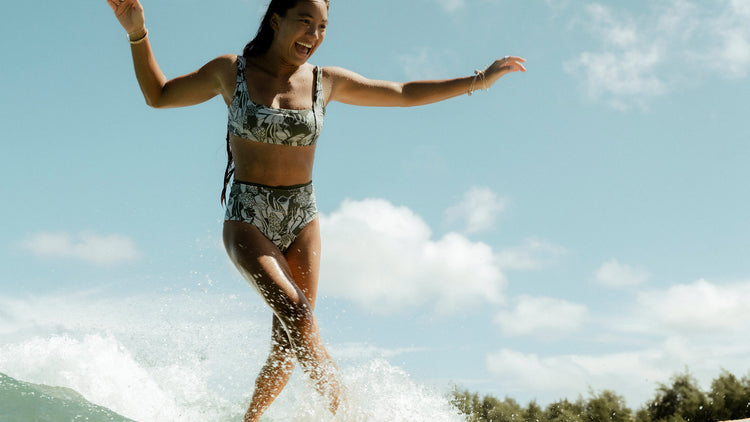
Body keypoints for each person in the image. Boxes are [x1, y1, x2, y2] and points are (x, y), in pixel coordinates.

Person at [107, 0, 526, 419]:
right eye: (304, 22)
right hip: (247, 216)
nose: (313, 35)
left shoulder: (327, 81)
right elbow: (159, 96)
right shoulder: (230, 71)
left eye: (322, 26)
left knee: (288, 343)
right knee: (299, 316)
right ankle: (348, 414)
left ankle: (249, 419)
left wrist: (480, 81)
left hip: (302, 215)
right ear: (276, 20)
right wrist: (136, 32)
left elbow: (402, 93)